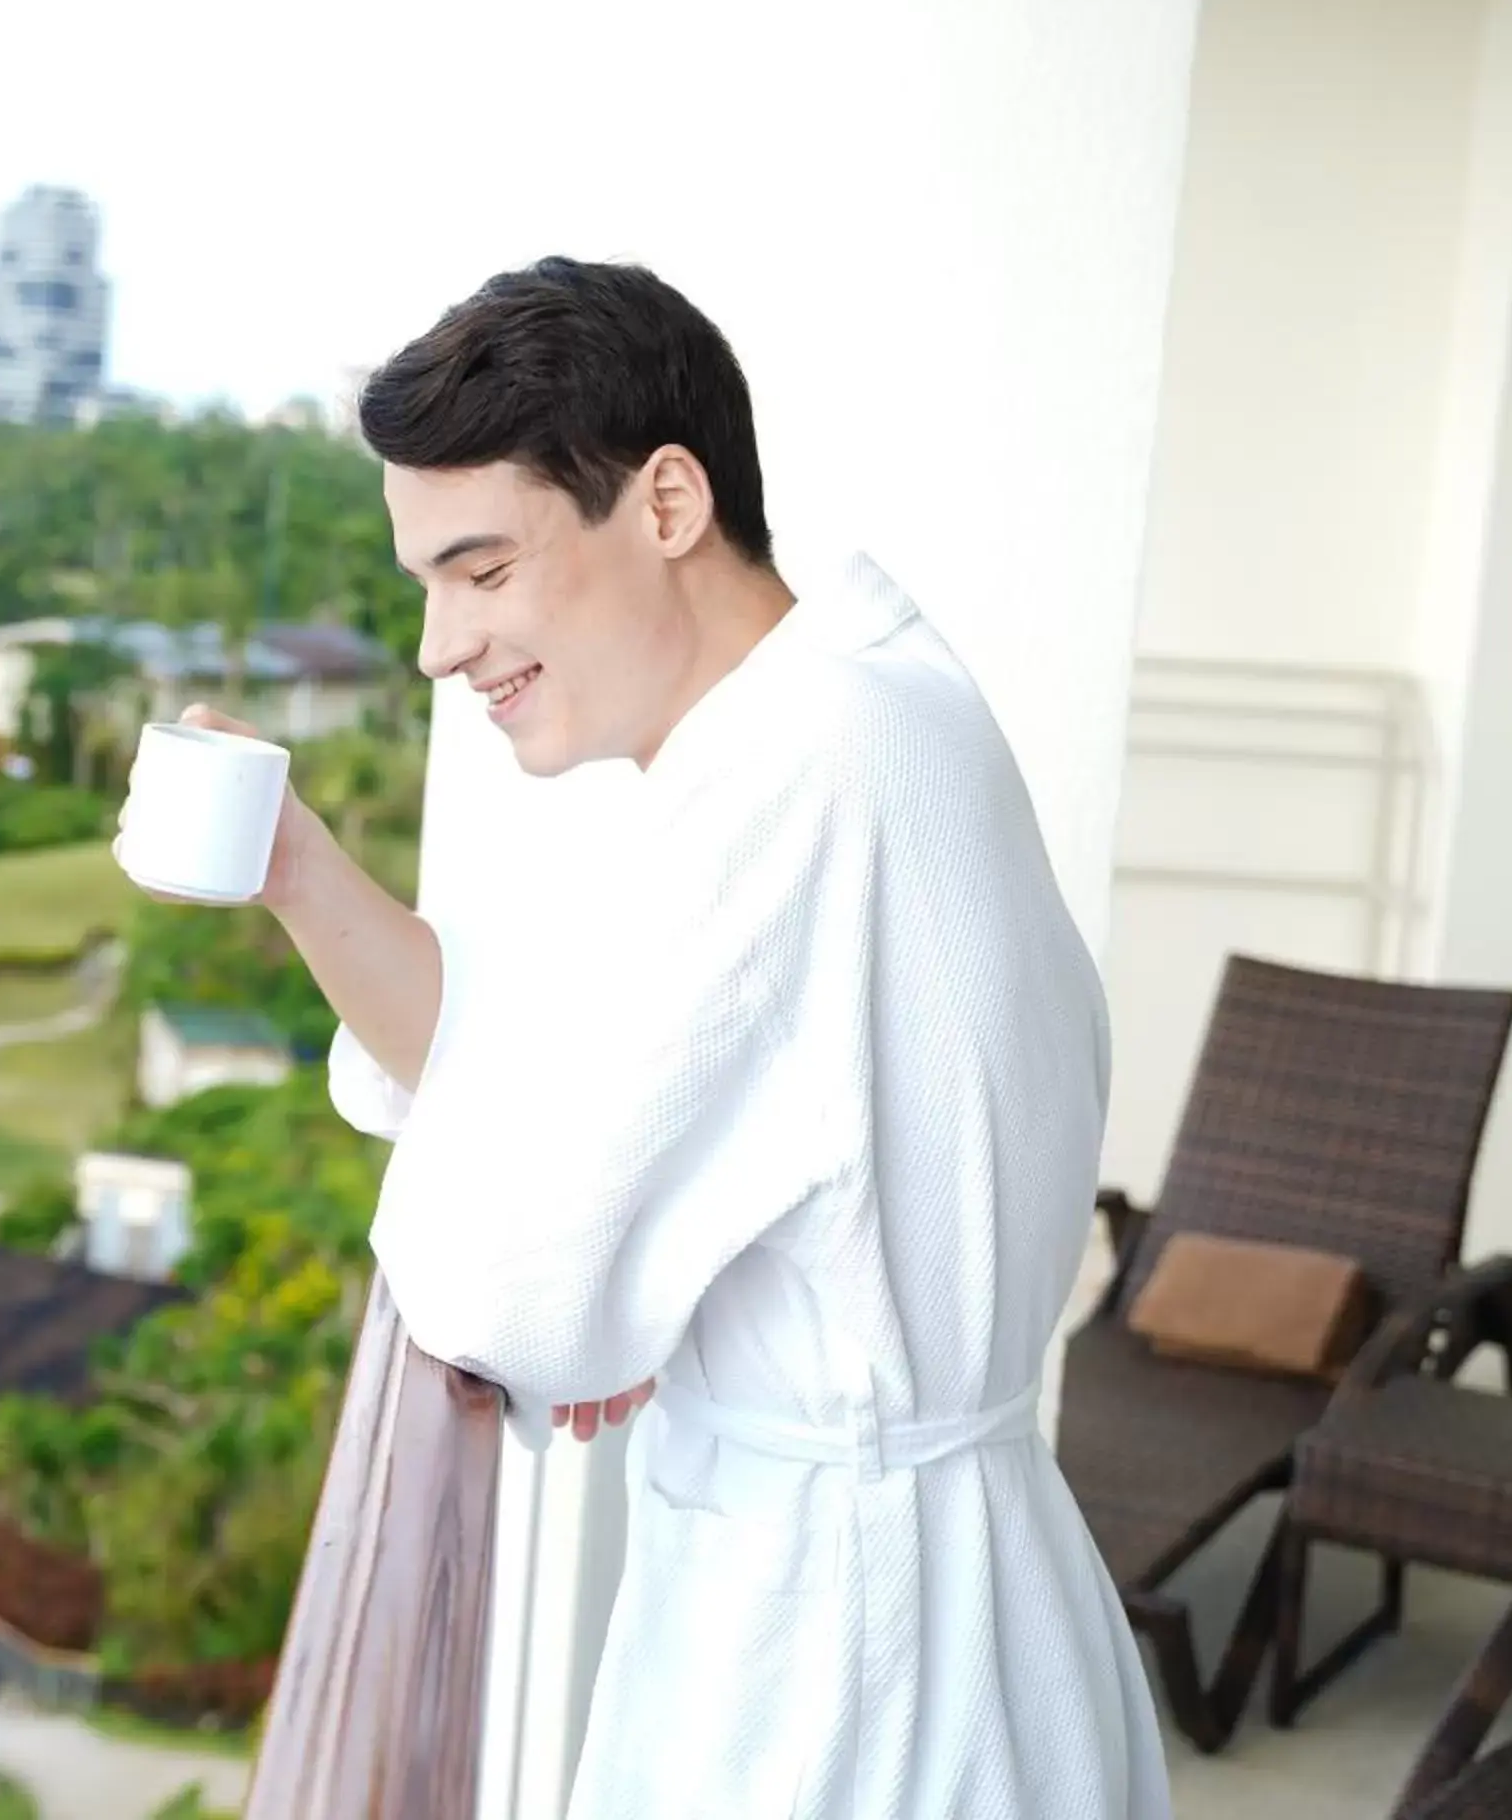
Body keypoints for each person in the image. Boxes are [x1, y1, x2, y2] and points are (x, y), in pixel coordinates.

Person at [124, 258, 1168, 1818]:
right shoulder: (861, 707)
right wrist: (293, 864)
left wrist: (602, 1296)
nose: (437, 645)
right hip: (952, 1597)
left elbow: (511, 1289)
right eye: (425, 586)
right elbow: (546, 1052)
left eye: (481, 571)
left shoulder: (796, 780)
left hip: (846, 1671)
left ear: (666, 501)